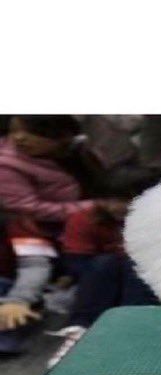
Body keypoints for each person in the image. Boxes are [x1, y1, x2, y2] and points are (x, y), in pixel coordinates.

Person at [0, 115, 100, 352]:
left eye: (31, 132)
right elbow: (34, 261)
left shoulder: (79, 150)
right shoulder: (7, 165)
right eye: (15, 131)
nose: (19, 138)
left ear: (60, 136)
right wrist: (19, 300)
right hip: (35, 229)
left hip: (78, 226)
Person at [47, 168, 161, 366]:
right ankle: (80, 330)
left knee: (136, 264)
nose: (114, 206)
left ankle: (135, 330)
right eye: (107, 199)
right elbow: (77, 262)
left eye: (125, 200)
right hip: (99, 284)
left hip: (150, 284)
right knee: (105, 263)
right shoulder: (85, 218)